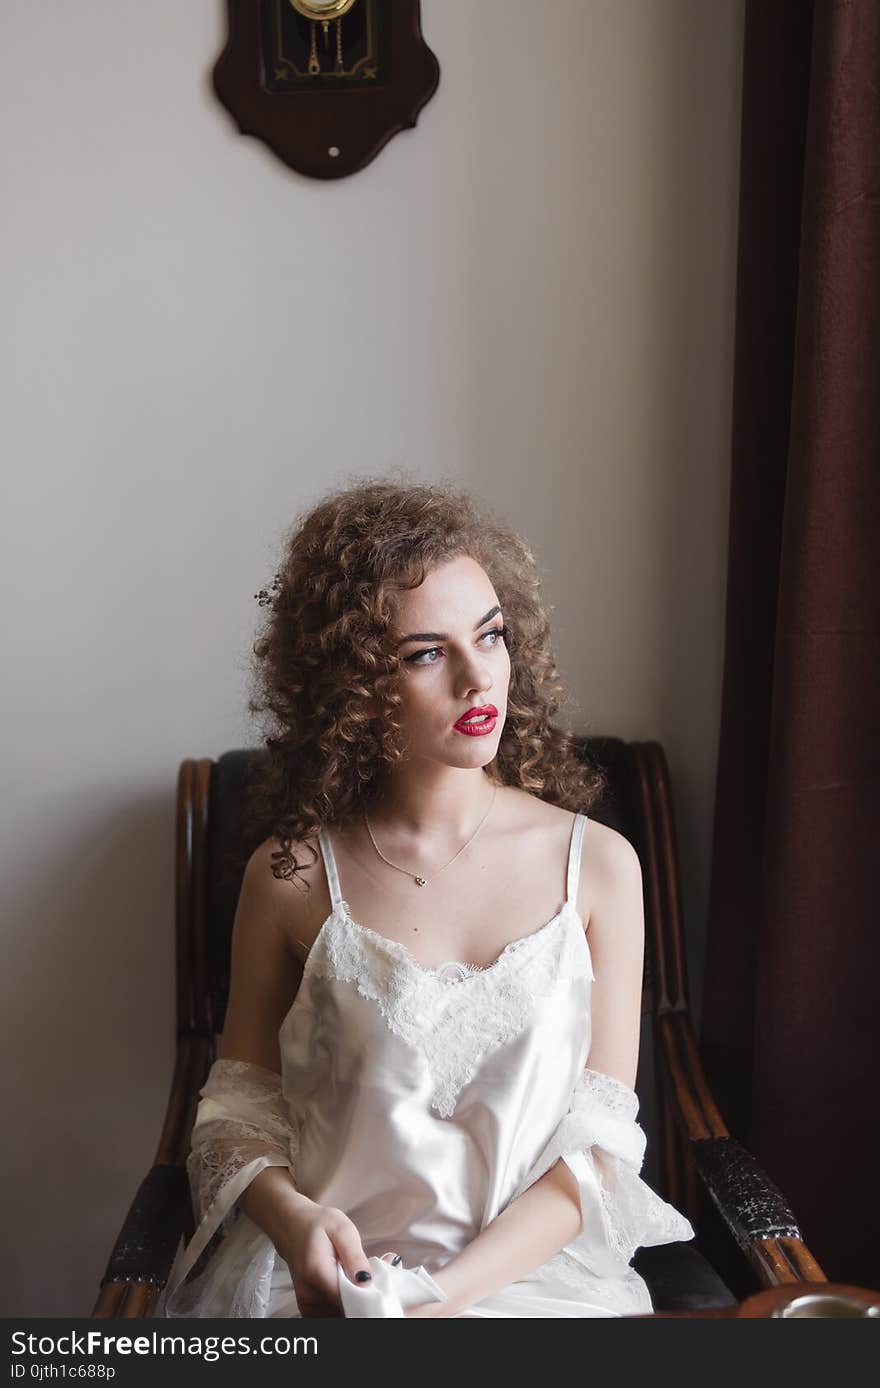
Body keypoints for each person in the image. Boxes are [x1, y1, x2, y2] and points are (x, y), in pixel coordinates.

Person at [157, 475, 694, 1319]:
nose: (481, 677)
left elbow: (598, 1151)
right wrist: (295, 1222)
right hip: (323, 1294)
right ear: (354, 687)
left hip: (534, 1294)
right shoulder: (290, 875)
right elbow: (234, 1118)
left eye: (491, 634)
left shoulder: (599, 869)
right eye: (427, 653)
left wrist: (440, 1306)